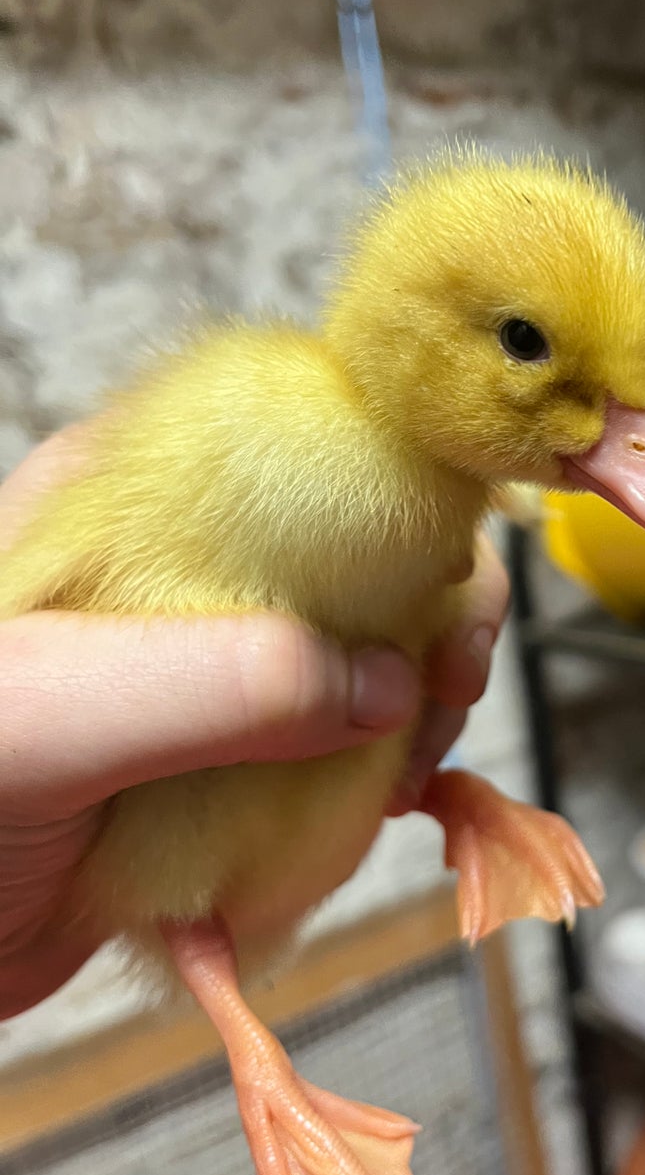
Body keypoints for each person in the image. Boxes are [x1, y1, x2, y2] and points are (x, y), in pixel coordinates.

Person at [0, 426, 509, 1019]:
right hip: (180, 831)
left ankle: (445, 797)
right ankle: (250, 1052)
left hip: (324, 796)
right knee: (181, 889)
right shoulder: (242, 430)